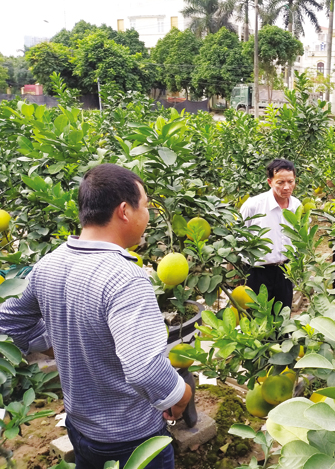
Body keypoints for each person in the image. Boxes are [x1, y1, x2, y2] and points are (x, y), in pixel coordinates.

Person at [0, 164, 191, 469]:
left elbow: (8, 320)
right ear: (125, 211)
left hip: (81, 427)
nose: (149, 217)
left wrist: (54, 344)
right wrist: (180, 395)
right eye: (145, 207)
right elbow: (144, 368)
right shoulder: (126, 278)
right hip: (133, 438)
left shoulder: (49, 265)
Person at [240, 158, 300, 310]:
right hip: (258, 273)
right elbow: (238, 237)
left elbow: (299, 237)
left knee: (282, 318)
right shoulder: (253, 205)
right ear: (270, 182)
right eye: (280, 182)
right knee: (257, 320)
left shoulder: (297, 206)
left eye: (290, 181)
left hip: (285, 273)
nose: (287, 187)